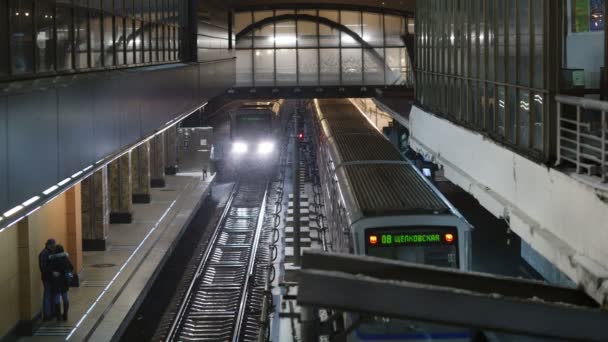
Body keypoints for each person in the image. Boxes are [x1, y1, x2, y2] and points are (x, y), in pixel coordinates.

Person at [48, 245, 74, 321]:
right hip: (64, 281)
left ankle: (58, 316)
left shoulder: (53, 259)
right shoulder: (65, 258)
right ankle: (65, 315)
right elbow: (71, 267)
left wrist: (54, 272)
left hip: (56, 281)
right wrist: (66, 272)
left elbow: (49, 269)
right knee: (65, 297)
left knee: (57, 298)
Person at [38, 239, 56, 320]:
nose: (54, 247)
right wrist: (52, 272)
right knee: (48, 295)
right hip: (47, 278)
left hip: (49, 277)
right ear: (49, 245)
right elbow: (43, 268)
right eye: (53, 245)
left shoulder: (48, 252)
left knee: (50, 295)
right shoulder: (44, 254)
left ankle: (51, 313)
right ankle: (47, 314)